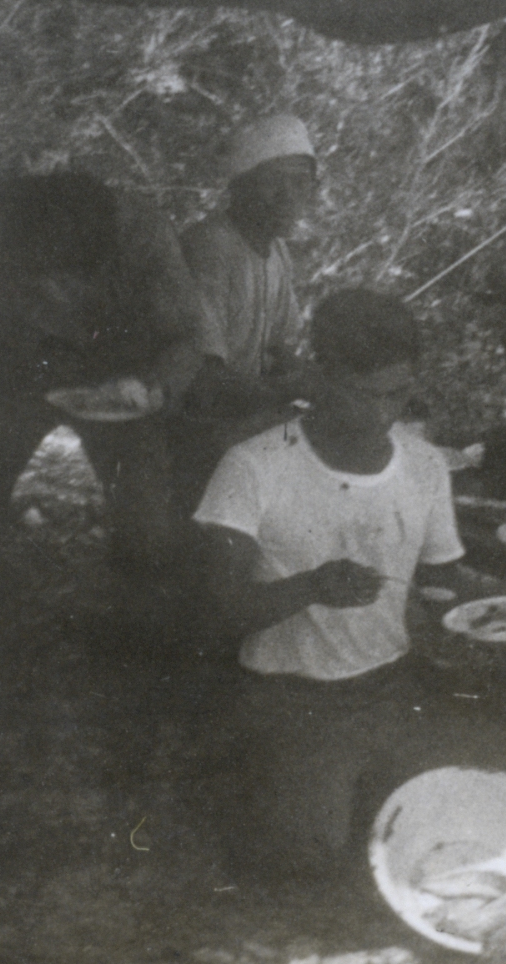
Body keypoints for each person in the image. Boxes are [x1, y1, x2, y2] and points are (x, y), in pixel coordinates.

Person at [193, 289, 469, 879]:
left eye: (396, 394)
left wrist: (457, 621)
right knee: (311, 855)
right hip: (287, 697)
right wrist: (311, 587)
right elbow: (217, 612)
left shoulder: (423, 465)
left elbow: (443, 579)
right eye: (362, 395)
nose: (380, 414)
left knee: (453, 828)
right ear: (320, 378)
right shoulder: (254, 465)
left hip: (393, 686)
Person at [0, 169, 210, 576]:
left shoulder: (142, 234)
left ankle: (130, 615)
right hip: (23, 360)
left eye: (70, 284)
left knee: (146, 522)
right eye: (42, 286)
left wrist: (153, 386)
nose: (58, 297)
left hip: (121, 372)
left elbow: (189, 337)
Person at [175, 114, 321, 507]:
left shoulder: (276, 251)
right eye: (273, 181)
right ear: (239, 188)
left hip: (240, 418)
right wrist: (297, 391)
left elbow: (278, 349)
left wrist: (329, 383)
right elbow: (203, 384)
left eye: (300, 182)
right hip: (192, 430)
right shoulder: (211, 247)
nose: (289, 196)